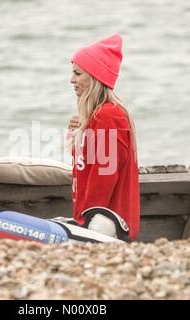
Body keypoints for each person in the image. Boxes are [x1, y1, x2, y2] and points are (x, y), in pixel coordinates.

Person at [67, 33, 140, 241]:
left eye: (78, 73)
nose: (72, 80)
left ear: (95, 77)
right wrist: (80, 134)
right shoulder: (97, 117)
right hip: (93, 224)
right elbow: (84, 170)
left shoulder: (109, 116)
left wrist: (85, 228)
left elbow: (103, 179)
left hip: (106, 230)